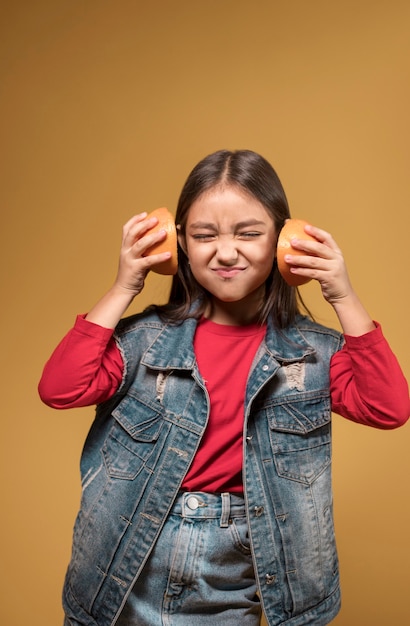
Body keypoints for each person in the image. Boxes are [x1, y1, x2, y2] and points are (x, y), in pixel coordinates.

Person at [39, 149, 409, 626]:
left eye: (250, 234)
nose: (227, 252)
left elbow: (389, 408)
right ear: (180, 247)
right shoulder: (141, 341)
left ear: (281, 242)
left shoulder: (313, 355)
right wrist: (123, 285)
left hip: (241, 568)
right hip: (125, 563)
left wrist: (342, 295)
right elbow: (61, 389)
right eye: (204, 235)